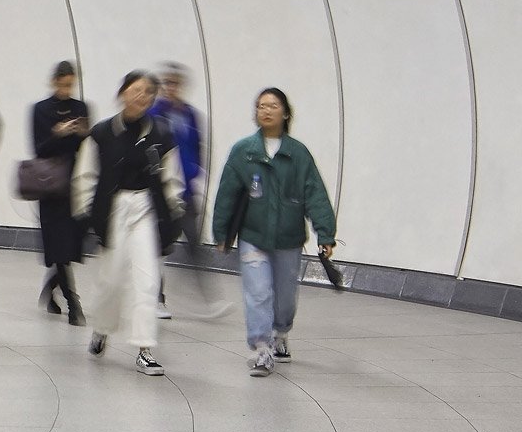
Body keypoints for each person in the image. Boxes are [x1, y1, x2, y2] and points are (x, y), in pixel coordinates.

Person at [211, 87, 338, 377]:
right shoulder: (243, 152)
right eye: (261, 106)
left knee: (285, 297)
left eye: (273, 105)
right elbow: (227, 193)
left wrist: (325, 234)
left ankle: (281, 332)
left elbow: (315, 194)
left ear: (286, 113)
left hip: (288, 239)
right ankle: (261, 349)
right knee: (257, 293)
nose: (266, 110)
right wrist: (221, 232)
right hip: (252, 237)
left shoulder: (298, 154)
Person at [71, 71, 182, 376]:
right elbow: (85, 176)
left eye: (148, 92)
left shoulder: (161, 133)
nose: (141, 96)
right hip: (113, 208)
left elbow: (171, 178)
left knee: (147, 280)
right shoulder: (103, 133)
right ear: (122, 93)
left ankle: (144, 348)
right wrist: (86, 212)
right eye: (135, 90)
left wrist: (175, 209)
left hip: (146, 207)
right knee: (111, 278)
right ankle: (102, 329)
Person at [30, 61, 88, 324]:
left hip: (75, 184)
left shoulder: (80, 108)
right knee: (60, 246)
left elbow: (87, 144)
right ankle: (73, 303)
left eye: (70, 85)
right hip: (51, 185)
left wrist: (81, 132)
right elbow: (39, 149)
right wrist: (57, 133)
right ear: (54, 82)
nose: (66, 90)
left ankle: (50, 289)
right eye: (62, 84)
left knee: (72, 245)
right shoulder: (40, 110)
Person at [150, 62, 205, 313]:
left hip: (185, 188)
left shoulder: (190, 115)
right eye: (167, 84)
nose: (171, 88)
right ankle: (157, 297)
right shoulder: (154, 113)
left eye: (175, 84)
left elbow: (197, 146)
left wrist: (195, 173)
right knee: (158, 244)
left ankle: (204, 294)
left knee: (193, 240)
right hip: (161, 188)